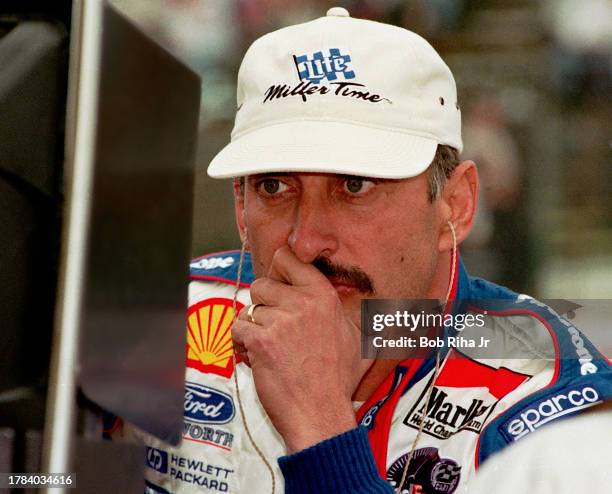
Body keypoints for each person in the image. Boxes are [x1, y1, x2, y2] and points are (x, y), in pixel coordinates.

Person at [111, 7, 611, 494]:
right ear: (240, 207)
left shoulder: (545, 397)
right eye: (273, 186)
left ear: (455, 206)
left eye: (355, 185)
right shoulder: (164, 317)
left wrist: (322, 427)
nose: (306, 242)